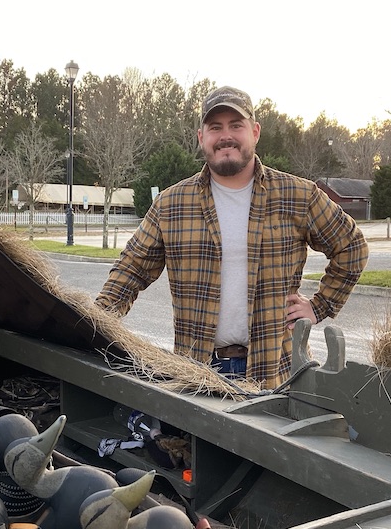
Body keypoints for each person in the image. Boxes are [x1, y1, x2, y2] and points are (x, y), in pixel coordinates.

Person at [95, 86, 368, 389]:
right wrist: (91, 323)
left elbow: (351, 246)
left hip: (278, 374)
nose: (226, 136)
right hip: (196, 375)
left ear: (255, 131)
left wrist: (319, 306)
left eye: (236, 125)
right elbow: (130, 270)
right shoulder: (171, 205)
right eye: (215, 127)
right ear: (202, 137)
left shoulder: (298, 196)